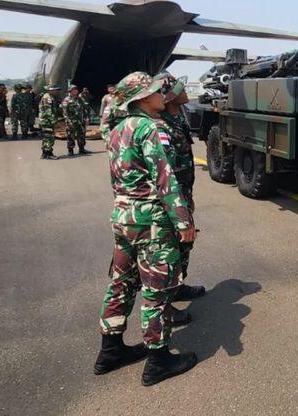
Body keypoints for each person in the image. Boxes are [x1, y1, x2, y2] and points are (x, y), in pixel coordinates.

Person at [94, 71, 198, 386]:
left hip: (123, 217)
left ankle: (110, 350)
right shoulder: (149, 129)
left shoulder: (116, 129)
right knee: (157, 293)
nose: (161, 95)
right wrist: (183, 222)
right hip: (152, 221)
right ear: (142, 98)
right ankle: (158, 360)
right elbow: (164, 179)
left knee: (121, 283)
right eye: (155, 91)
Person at [156, 73, 206, 301]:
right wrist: (178, 208)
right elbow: (165, 174)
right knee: (170, 250)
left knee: (185, 245)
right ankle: (165, 303)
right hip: (170, 199)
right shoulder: (161, 126)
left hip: (183, 193)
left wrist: (189, 195)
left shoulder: (177, 119)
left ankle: (177, 287)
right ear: (170, 97)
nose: (184, 91)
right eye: (179, 89)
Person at [61, 84, 90, 156]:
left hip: (80, 121)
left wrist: (86, 118)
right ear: (70, 91)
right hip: (71, 121)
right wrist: (68, 121)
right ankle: (70, 150)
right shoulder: (66, 100)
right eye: (73, 90)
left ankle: (82, 149)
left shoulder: (80, 99)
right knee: (70, 136)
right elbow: (64, 112)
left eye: (76, 90)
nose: (75, 91)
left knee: (81, 135)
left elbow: (85, 109)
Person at [38, 84, 61, 160]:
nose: (57, 91)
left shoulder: (49, 97)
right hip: (47, 121)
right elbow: (48, 112)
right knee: (50, 138)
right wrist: (54, 122)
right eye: (55, 90)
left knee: (46, 137)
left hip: (45, 121)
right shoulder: (48, 98)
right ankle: (49, 154)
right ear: (50, 90)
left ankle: (44, 154)